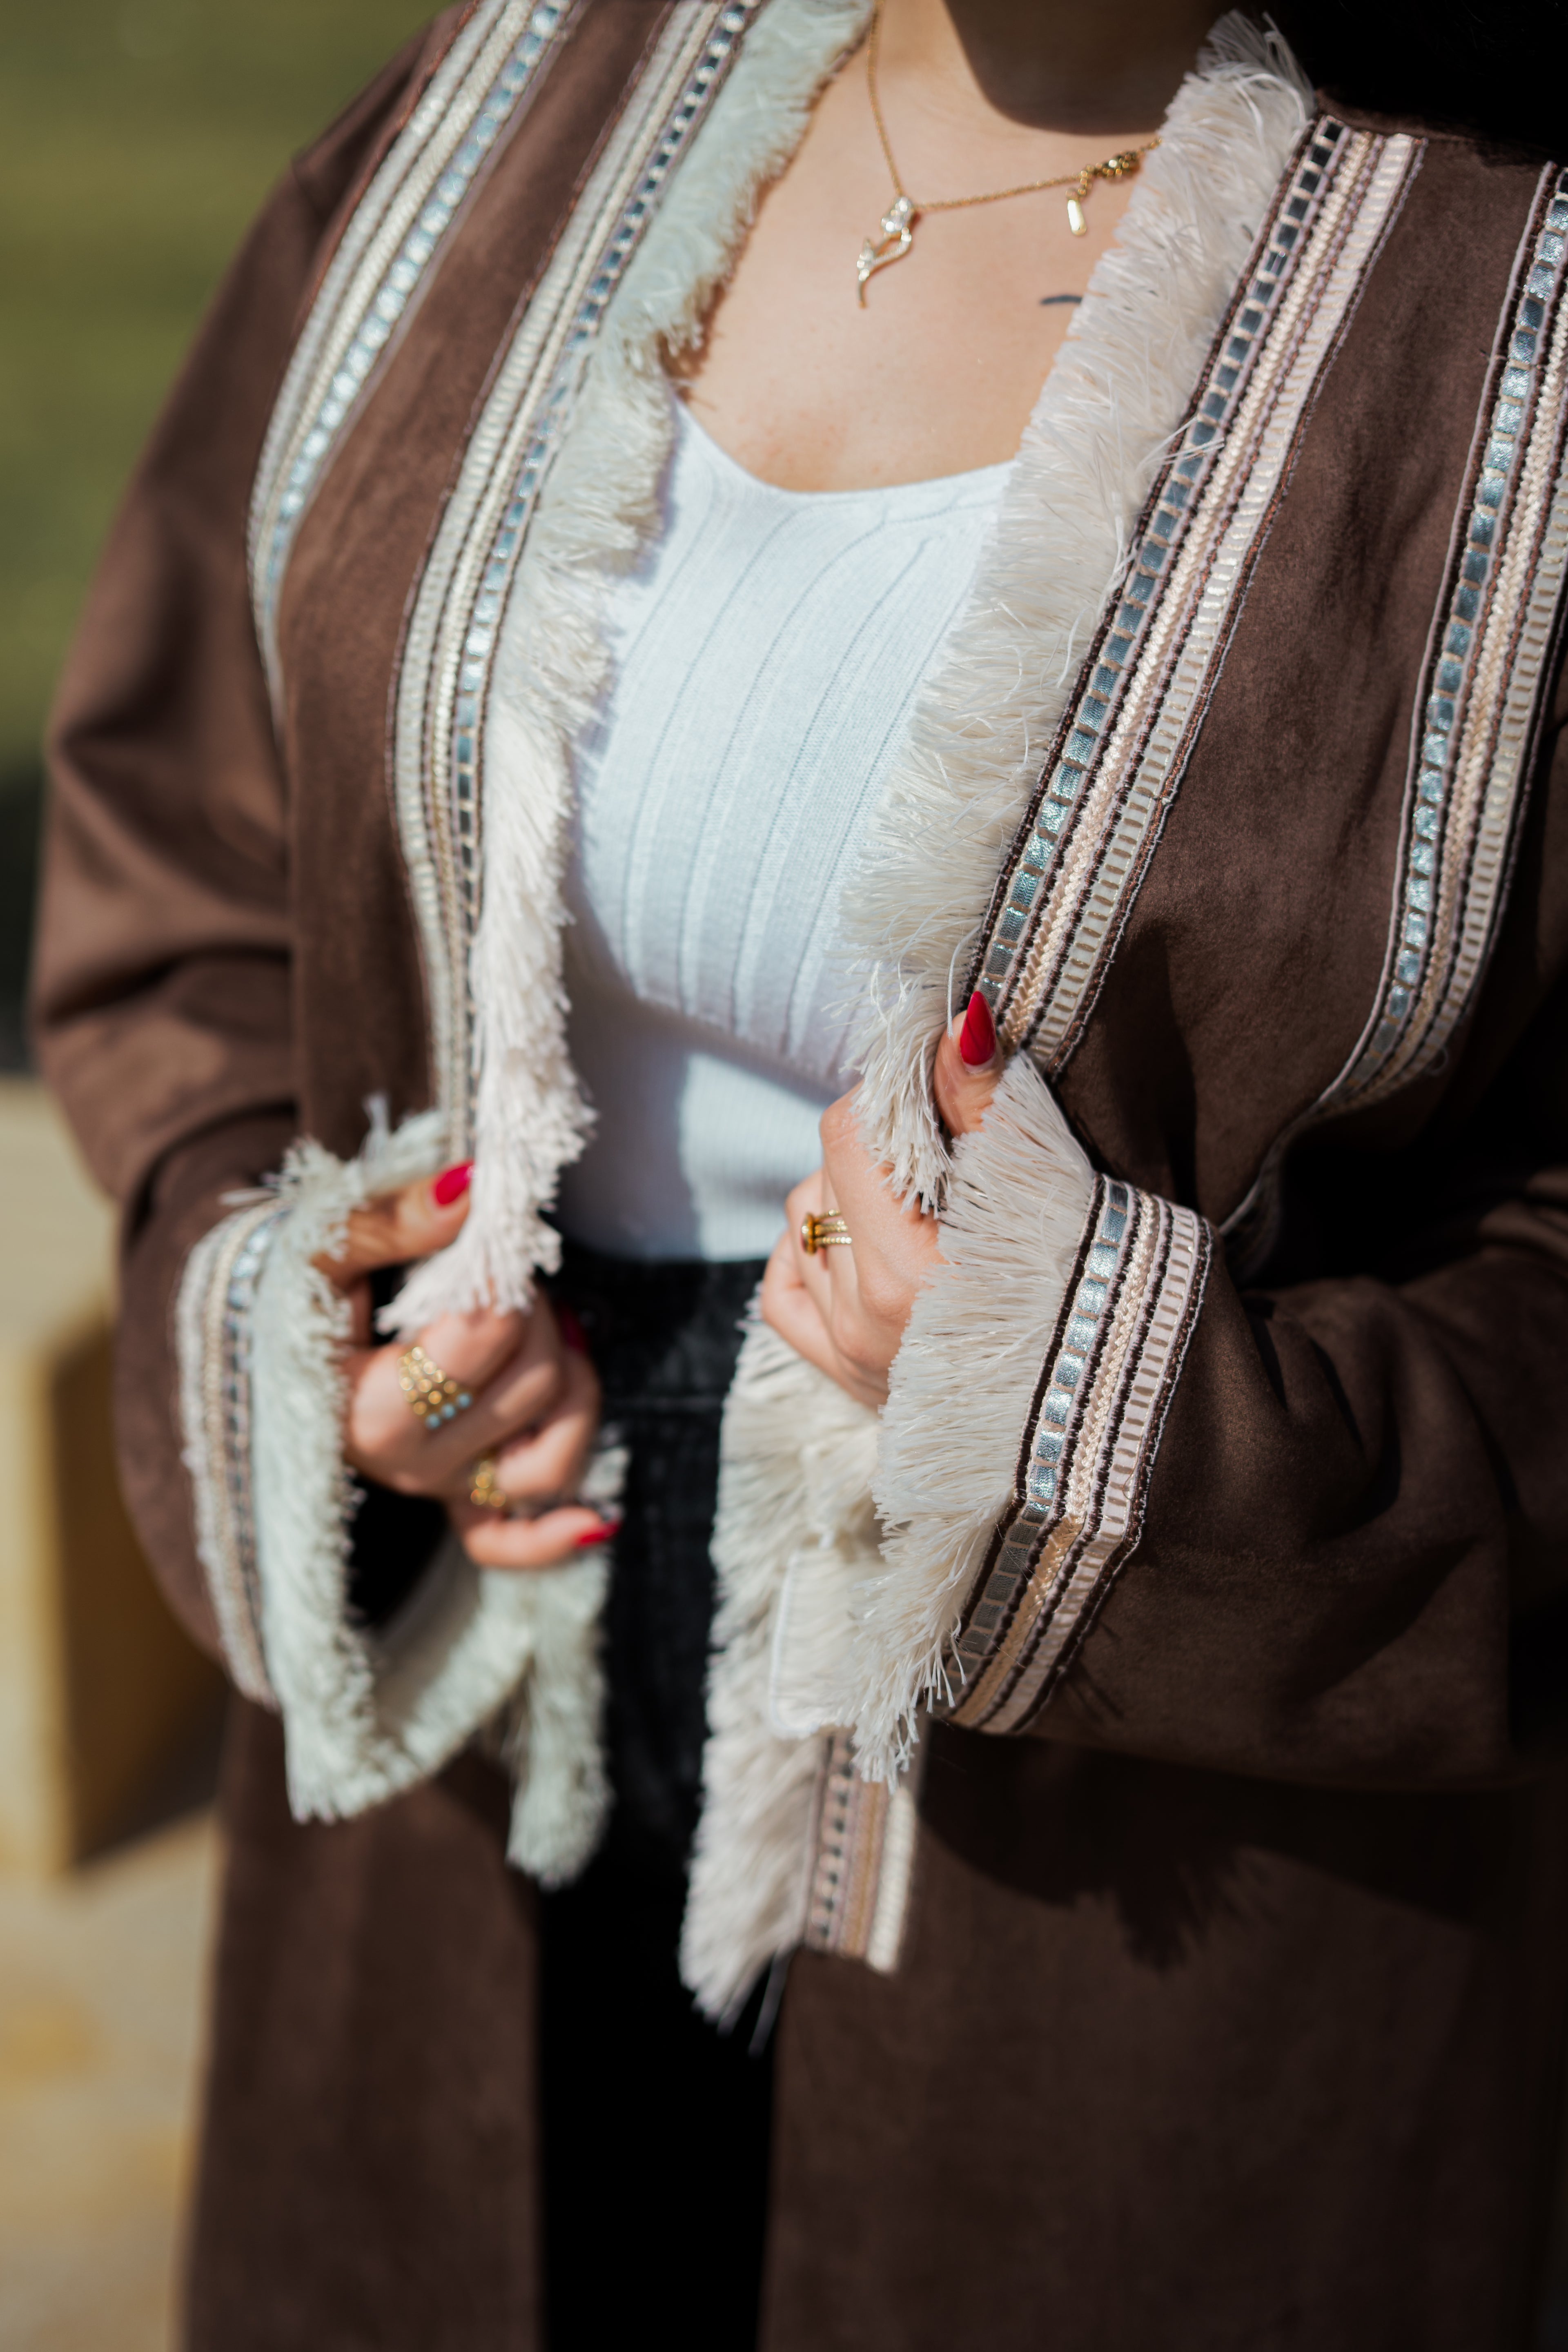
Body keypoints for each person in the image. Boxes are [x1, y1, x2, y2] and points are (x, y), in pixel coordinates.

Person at [32, 0, 1568, 2341]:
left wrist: (1125, 1416)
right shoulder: (514, 99)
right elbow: (197, 872)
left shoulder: (1519, 275)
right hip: (476, 1745)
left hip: (1148, 1909)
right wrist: (310, 1316)